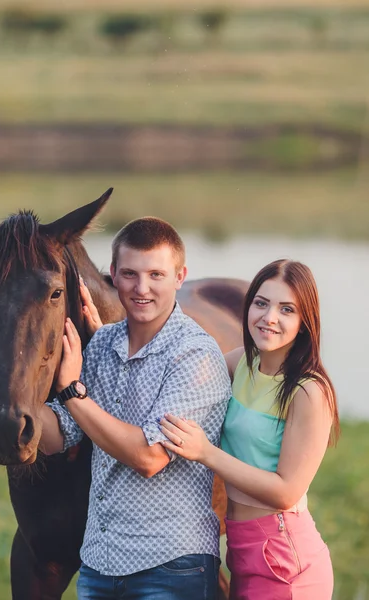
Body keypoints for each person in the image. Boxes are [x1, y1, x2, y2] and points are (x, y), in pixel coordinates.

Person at [37, 217, 232, 600]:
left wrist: (72, 392)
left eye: (156, 275)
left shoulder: (195, 354)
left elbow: (149, 457)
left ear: (180, 276)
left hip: (173, 568)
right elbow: (57, 436)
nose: (142, 289)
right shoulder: (101, 345)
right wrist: (22, 387)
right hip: (98, 567)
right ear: (112, 274)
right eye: (129, 274)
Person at [158, 259, 339, 600]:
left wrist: (206, 453)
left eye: (286, 309)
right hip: (241, 548)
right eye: (261, 303)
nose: (269, 317)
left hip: (285, 561)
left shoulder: (308, 391)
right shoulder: (239, 363)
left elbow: (286, 491)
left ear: (304, 323)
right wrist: (107, 333)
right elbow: (176, 372)